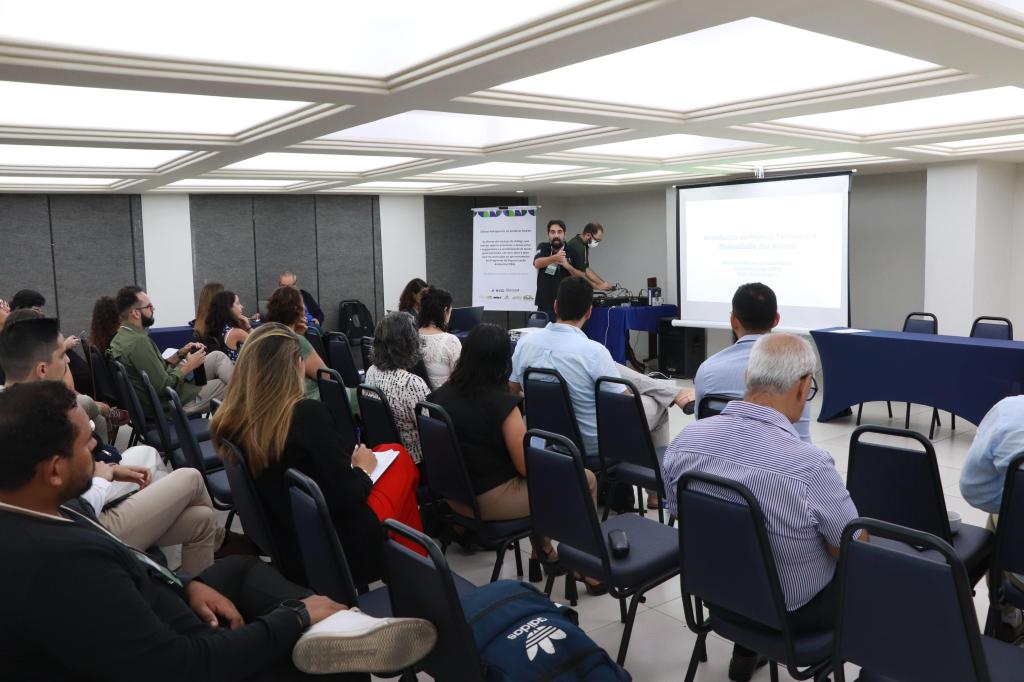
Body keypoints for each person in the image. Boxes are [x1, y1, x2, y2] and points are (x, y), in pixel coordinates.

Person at [0, 381, 437, 682]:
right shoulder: (60, 564)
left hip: (162, 602)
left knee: (241, 569)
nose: (97, 446)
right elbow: (182, 665)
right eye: (86, 444)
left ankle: (345, 628)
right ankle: (337, 634)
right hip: (188, 649)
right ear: (53, 470)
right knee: (336, 669)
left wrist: (185, 585)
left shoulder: (40, 509)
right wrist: (294, 618)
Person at [661, 334, 860, 682]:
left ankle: (746, 650)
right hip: (792, 615)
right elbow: (852, 548)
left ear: (747, 378)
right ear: (803, 387)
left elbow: (682, 517)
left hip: (716, 601)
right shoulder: (809, 467)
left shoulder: (684, 444)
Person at [0, 315, 231, 573]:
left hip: (84, 515)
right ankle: (181, 563)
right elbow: (69, 506)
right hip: (90, 528)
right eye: (62, 355)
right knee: (191, 477)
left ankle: (189, 578)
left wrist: (105, 470)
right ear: (42, 370)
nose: (68, 361)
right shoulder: (38, 422)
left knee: (202, 519)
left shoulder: (16, 411)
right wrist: (102, 475)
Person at [212, 324, 423, 587]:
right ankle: (415, 567)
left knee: (386, 453)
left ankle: (412, 565)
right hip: (339, 546)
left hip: (290, 543)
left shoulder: (234, 421)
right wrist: (362, 469)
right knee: (399, 457)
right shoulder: (306, 415)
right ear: (296, 365)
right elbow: (348, 497)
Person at [429, 324, 598, 571]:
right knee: (586, 479)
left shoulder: (441, 395)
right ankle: (590, 569)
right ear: (502, 362)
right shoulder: (502, 404)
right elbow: (526, 468)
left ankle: (544, 550)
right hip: (488, 501)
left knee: (539, 479)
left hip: (454, 496)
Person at [510, 276, 692, 461]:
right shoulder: (593, 352)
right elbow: (624, 407)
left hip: (544, 436)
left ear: (555, 306)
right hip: (593, 444)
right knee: (658, 404)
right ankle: (655, 477)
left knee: (611, 367)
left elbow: (513, 390)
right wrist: (631, 391)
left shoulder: (525, 344)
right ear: (589, 312)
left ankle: (672, 392)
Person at [694, 282, 812, 444]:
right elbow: (801, 437)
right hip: (781, 456)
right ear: (776, 319)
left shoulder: (707, 369)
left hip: (719, 454)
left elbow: (701, 425)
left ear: (733, 320)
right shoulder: (798, 371)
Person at [109, 286, 234, 417]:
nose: (153, 309)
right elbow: (163, 387)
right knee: (229, 387)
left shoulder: (122, 337)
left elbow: (156, 371)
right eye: (149, 307)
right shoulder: (138, 342)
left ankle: (246, 392)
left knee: (216, 357)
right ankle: (245, 401)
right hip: (172, 402)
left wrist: (180, 354)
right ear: (135, 313)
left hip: (169, 393)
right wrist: (189, 366)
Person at [960, 395, 1024, 642]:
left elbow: (974, 489)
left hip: (1018, 576)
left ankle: (1006, 619)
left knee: (1002, 514)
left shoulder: (1008, 411)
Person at [365, 312, 430, 464]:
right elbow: (431, 431)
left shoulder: (371, 371)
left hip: (384, 454)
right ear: (410, 343)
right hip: (414, 459)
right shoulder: (411, 383)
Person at [265, 285, 325, 400]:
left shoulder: (268, 336)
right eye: (303, 306)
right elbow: (326, 376)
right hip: (311, 399)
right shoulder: (296, 340)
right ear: (298, 310)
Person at [417, 287, 461, 388]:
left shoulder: (411, 336)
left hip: (418, 396)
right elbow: (460, 378)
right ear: (445, 310)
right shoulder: (451, 341)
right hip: (444, 397)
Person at [532, 220, 573, 320]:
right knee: (542, 330)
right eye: (552, 232)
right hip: (544, 305)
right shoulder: (543, 247)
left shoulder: (572, 251)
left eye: (559, 232)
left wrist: (568, 266)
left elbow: (581, 275)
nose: (556, 235)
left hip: (566, 305)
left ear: (565, 234)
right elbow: (537, 263)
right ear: (548, 235)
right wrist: (555, 258)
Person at [205, 290, 252, 362]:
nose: (242, 306)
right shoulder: (236, 332)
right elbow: (261, 343)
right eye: (238, 303)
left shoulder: (220, 328)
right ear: (229, 308)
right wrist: (248, 327)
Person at [565, 222, 613, 292]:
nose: (597, 243)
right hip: (567, 287)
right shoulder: (577, 247)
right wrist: (597, 286)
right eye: (596, 240)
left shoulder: (584, 244)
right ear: (588, 235)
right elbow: (580, 275)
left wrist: (603, 283)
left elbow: (586, 269)